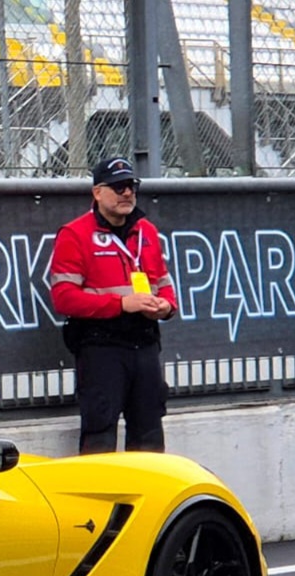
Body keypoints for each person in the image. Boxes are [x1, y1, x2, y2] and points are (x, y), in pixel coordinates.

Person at [49, 155, 177, 454]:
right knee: (100, 437)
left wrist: (166, 307)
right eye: (119, 187)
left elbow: (165, 285)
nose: (128, 193)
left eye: (132, 186)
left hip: (145, 345)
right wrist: (121, 304)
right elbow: (64, 297)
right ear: (97, 192)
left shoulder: (147, 231)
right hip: (101, 350)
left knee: (149, 437)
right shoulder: (75, 234)